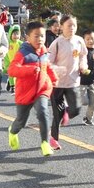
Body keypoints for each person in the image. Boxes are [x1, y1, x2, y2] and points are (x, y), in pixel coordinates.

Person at [8, 21, 58, 157]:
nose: (40, 39)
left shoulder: (44, 52)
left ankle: (45, 143)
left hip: (42, 89)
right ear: (28, 38)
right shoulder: (23, 53)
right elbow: (12, 70)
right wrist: (30, 69)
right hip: (25, 92)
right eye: (36, 36)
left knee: (43, 111)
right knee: (21, 121)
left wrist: (54, 80)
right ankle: (12, 132)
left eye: (42, 36)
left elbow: (47, 67)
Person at [48, 14, 89, 150]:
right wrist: (56, 69)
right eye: (69, 25)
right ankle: (53, 139)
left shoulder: (79, 41)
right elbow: (48, 62)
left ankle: (66, 112)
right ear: (62, 26)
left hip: (73, 82)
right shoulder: (57, 43)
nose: (72, 28)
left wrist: (83, 66)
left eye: (74, 25)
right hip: (57, 84)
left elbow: (83, 56)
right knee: (57, 114)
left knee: (76, 109)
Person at [3, 25, 23, 95]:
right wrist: (6, 64)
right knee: (11, 74)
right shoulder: (8, 43)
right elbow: (5, 54)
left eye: (17, 34)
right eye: (14, 34)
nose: (16, 36)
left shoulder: (21, 44)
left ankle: (12, 83)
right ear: (10, 34)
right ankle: (12, 86)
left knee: (18, 75)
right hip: (10, 62)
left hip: (18, 63)